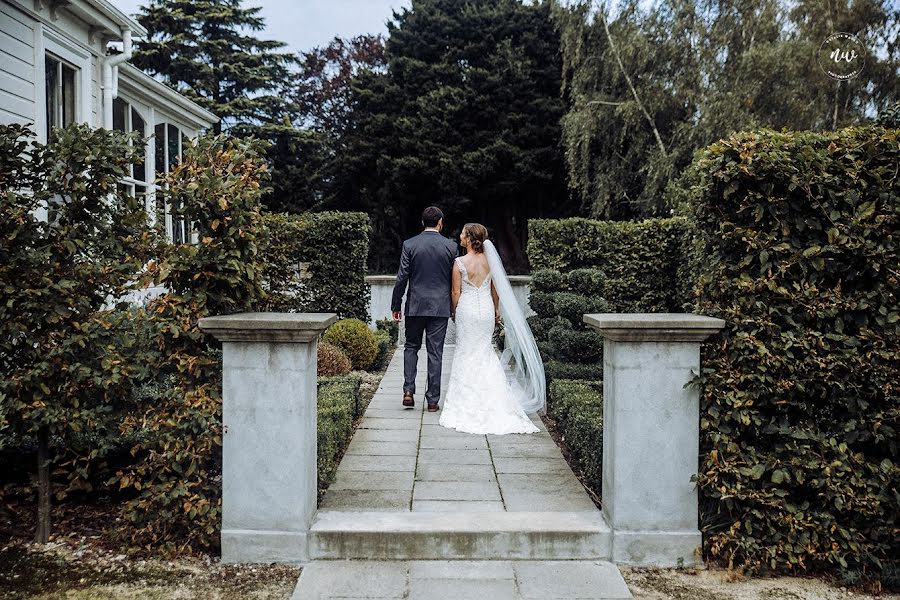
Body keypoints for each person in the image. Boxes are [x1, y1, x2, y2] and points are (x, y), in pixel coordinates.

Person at [439, 223, 544, 435]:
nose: (460, 235)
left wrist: (454, 311)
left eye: (462, 233)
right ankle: (493, 397)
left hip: (467, 310)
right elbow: (495, 291)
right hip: (486, 309)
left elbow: (455, 293)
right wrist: (495, 310)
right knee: (485, 351)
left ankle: (466, 399)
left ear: (468, 238)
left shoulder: (459, 262)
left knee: (466, 350)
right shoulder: (490, 262)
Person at [391, 206, 458, 412]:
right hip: (440, 307)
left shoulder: (410, 244)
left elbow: (402, 277)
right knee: (435, 352)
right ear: (440, 222)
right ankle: (432, 401)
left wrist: (396, 304)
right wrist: (454, 307)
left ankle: (409, 391)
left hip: (415, 305)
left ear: (423, 223)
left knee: (411, 347)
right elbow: (455, 281)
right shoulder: (451, 247)